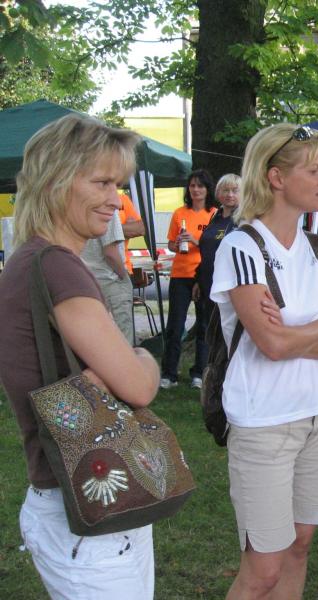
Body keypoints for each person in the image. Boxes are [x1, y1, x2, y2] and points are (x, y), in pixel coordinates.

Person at [0, 114, 160, 599]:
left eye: (119, 185)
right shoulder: (57, 267)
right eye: (102, 182)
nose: (115, 199)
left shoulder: (30, 260)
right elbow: (139, 386)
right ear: (56, 179)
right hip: (86, 511)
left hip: (77, 499)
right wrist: (140, 356)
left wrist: (114, 371)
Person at [210, 124, 318, 599]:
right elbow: (271, 345)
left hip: (317, 415)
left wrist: (294, 334)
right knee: (263, 570)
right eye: (313, 170)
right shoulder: (242, 246)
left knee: (299, 547)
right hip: (263, 424)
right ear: (276, 177)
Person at [160, 169, 216, 389]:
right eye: (192, 185)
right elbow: (171, 244)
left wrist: (195, 240)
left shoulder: (214, 214)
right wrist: (177, 244)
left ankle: (199, 373)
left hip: (203, 275)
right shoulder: (179, 213)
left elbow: (215, 246)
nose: (196, 190)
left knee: (203, 325)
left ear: (207, 189)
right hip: (180, 274)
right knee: (175, 325)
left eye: (200, 186)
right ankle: (169, 374)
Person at [192, 173, 241, 378]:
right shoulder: (215, 217)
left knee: (226, 333)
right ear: (218, 193)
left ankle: (229, 375)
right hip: (207, 285)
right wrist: (197, 279)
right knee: (207, 331)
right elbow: (206, 251)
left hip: (229, 288)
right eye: (225, 190)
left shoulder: (243, 220)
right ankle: (208, 374)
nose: (230, 194)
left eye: (235, 190)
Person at [80, 209, 135, 343]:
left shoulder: (78, 206)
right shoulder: (107, 209)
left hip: (85, 280)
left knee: (95, 341)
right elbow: (110, 252)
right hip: (110, 281)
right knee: (122, 341)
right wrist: (123, 276)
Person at [118, 191, 145, 275]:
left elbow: (140, 229)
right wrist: (126, 227)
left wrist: (107, 230)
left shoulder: (123, 198)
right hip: (93, 270)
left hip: (124, 268)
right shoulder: (88, 199)